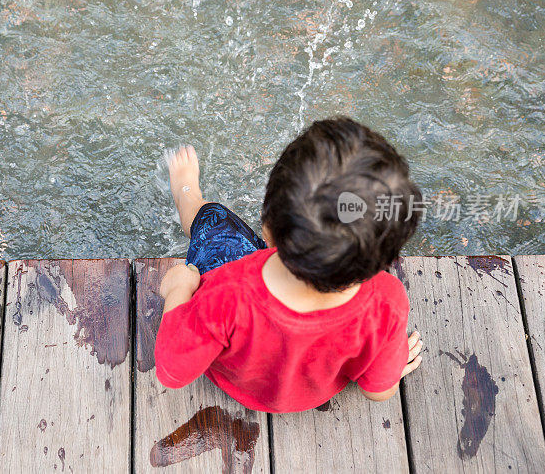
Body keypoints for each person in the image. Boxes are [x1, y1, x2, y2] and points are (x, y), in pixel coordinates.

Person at [154, 115, 424, 413]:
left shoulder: (226, 293)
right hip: (311, 397)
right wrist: (390, 367)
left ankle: (187, 193)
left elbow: (172, 370)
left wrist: (178, 289)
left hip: (238, 386)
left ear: (268, 227)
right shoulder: (387, 302)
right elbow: (379, 392)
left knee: (213, 222)